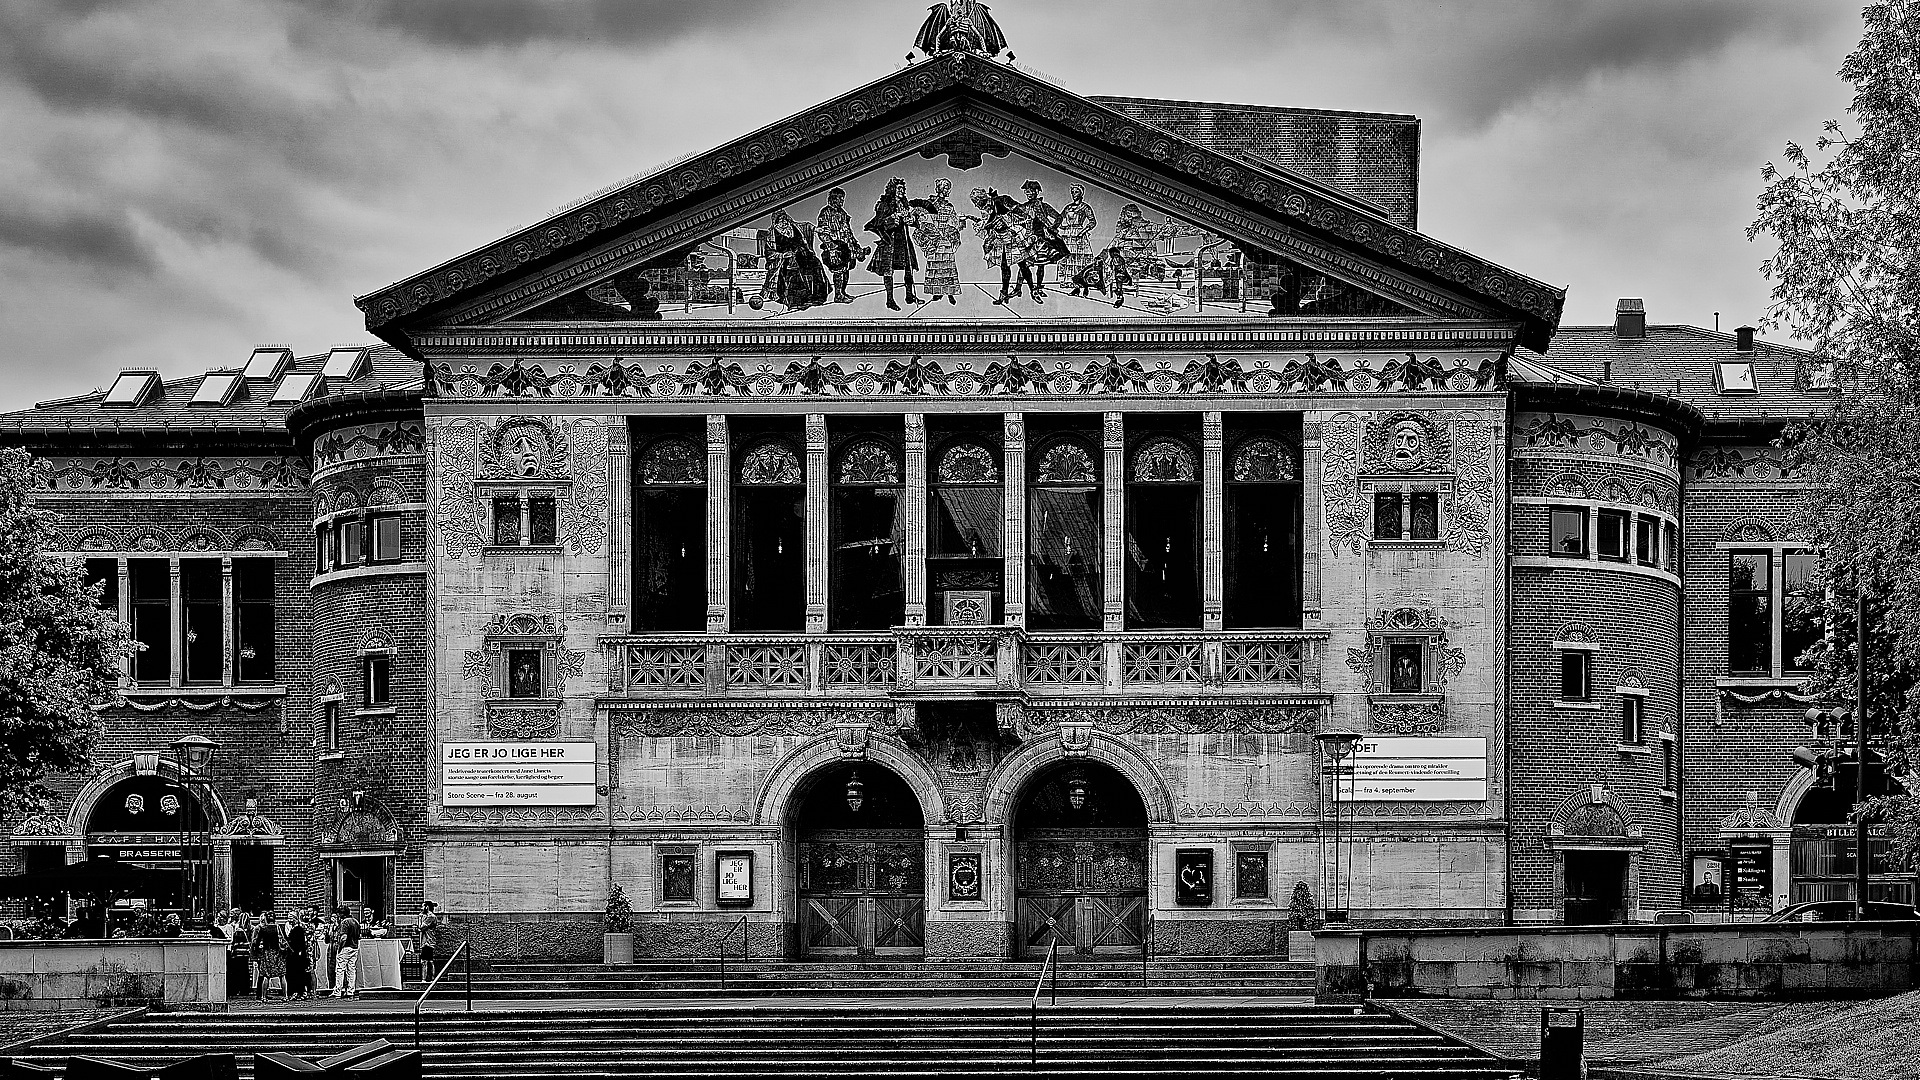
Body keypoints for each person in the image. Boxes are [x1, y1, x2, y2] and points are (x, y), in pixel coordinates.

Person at [865, 178, 921, 310]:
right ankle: (890, 300)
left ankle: (909, 295)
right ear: (893, 190)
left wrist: (912, 220)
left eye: (903, 188)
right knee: (888, 271)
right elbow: (879, 222)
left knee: (909, 267)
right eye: (899, 188)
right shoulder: (884, 204)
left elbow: (910, 220)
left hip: (903, 240)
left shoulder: (904, 203)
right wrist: (893, 218)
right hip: (890, 240)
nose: (902, 191)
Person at [758, 209, 829, 310]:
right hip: (786, 260)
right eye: (780, 220)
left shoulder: (796, 227)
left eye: (785, 219)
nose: (784, 222)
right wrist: (783, 255)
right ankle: (798, 302)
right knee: (794, 271)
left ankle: (816, 297)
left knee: (815, 264)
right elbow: (770, 253)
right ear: (776, 222)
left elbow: (807, 226)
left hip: (804, 256)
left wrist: (817, 229)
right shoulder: (772, 235)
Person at [909, 179, 965, 305]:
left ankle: (950, 292)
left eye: (948, 188)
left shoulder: (950, 206)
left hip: (946, 239)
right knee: (936, 267)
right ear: (940, 189)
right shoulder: (930, 203)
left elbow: (954, 222)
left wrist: (956, 225)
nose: (948, 191)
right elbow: (921, 218)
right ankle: (937, 292)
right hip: (934, 238)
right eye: (946, 188)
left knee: (948, 267)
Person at [814, 189, 869, 305]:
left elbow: (848, 231)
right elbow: (822, 233)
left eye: (842, 198)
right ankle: (838, 295)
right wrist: (831, 247)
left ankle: (843, 292)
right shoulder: (826, 212)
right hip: (835, 247)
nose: (841, 201)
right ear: (833, 198)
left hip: (846, 246)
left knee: (846, 269)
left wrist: (855, 245)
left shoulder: (842, 213)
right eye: (839, 198)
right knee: (839, 270)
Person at [1057, 184, 1099, 295]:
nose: (1073, 194)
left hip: (1079, 234)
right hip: (1068, 234)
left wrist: (1083, 231)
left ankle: (1085, 286)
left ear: (1081, 193)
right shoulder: (1068, 207)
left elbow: (1092, 222)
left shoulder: (1085, 207)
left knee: (1080, 261)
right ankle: (1075, 287)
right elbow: (1059, 219)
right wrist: (1058, 228)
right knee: (1069, 260)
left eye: (1076, 192)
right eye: (1072, 192)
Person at [332, 905, 360, 999]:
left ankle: (338, 991)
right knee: (351, 970)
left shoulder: (345, 922)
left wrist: (340, 947)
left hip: (346, 947)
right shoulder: (355, 921)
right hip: (355, 947)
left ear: (341, 914)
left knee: (340, 969)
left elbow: (344, 937)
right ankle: (350, 990)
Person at [285, 911, 310, 1000]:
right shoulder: (293, 929)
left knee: (297, 974)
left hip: (296, 956)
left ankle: (298, 992)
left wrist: (299, 952)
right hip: (294, 955)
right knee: (296, 974)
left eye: (290, 917)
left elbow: (300, 943)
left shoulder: (298, 929)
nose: (289, 919)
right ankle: (299, 992)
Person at [417, 901, 443, 981]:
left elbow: (421, 927)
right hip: (426, 941)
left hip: (428, 942)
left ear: (427, 907)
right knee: (429, 960)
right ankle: (430, 978)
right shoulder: (428, 916)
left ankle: (425, 979)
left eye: (423, 906)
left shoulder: (431, 916)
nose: (421, 909)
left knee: (425, 961)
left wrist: (420, 918)